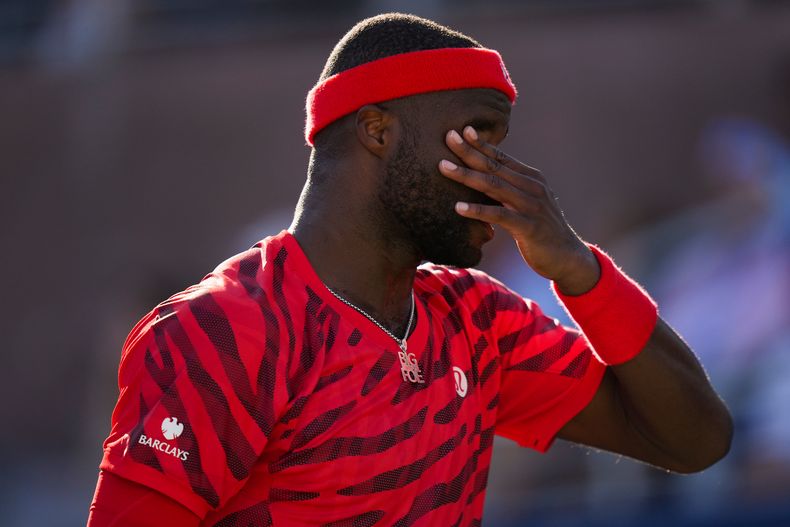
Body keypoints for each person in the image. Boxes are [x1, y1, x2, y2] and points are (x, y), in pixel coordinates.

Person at [87, 13, 732, 527]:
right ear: (377, 131)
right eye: (476, 133)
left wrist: (581, 272)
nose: (501, 175)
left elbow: (695, 439)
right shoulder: (225, 328)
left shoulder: (481, 320)